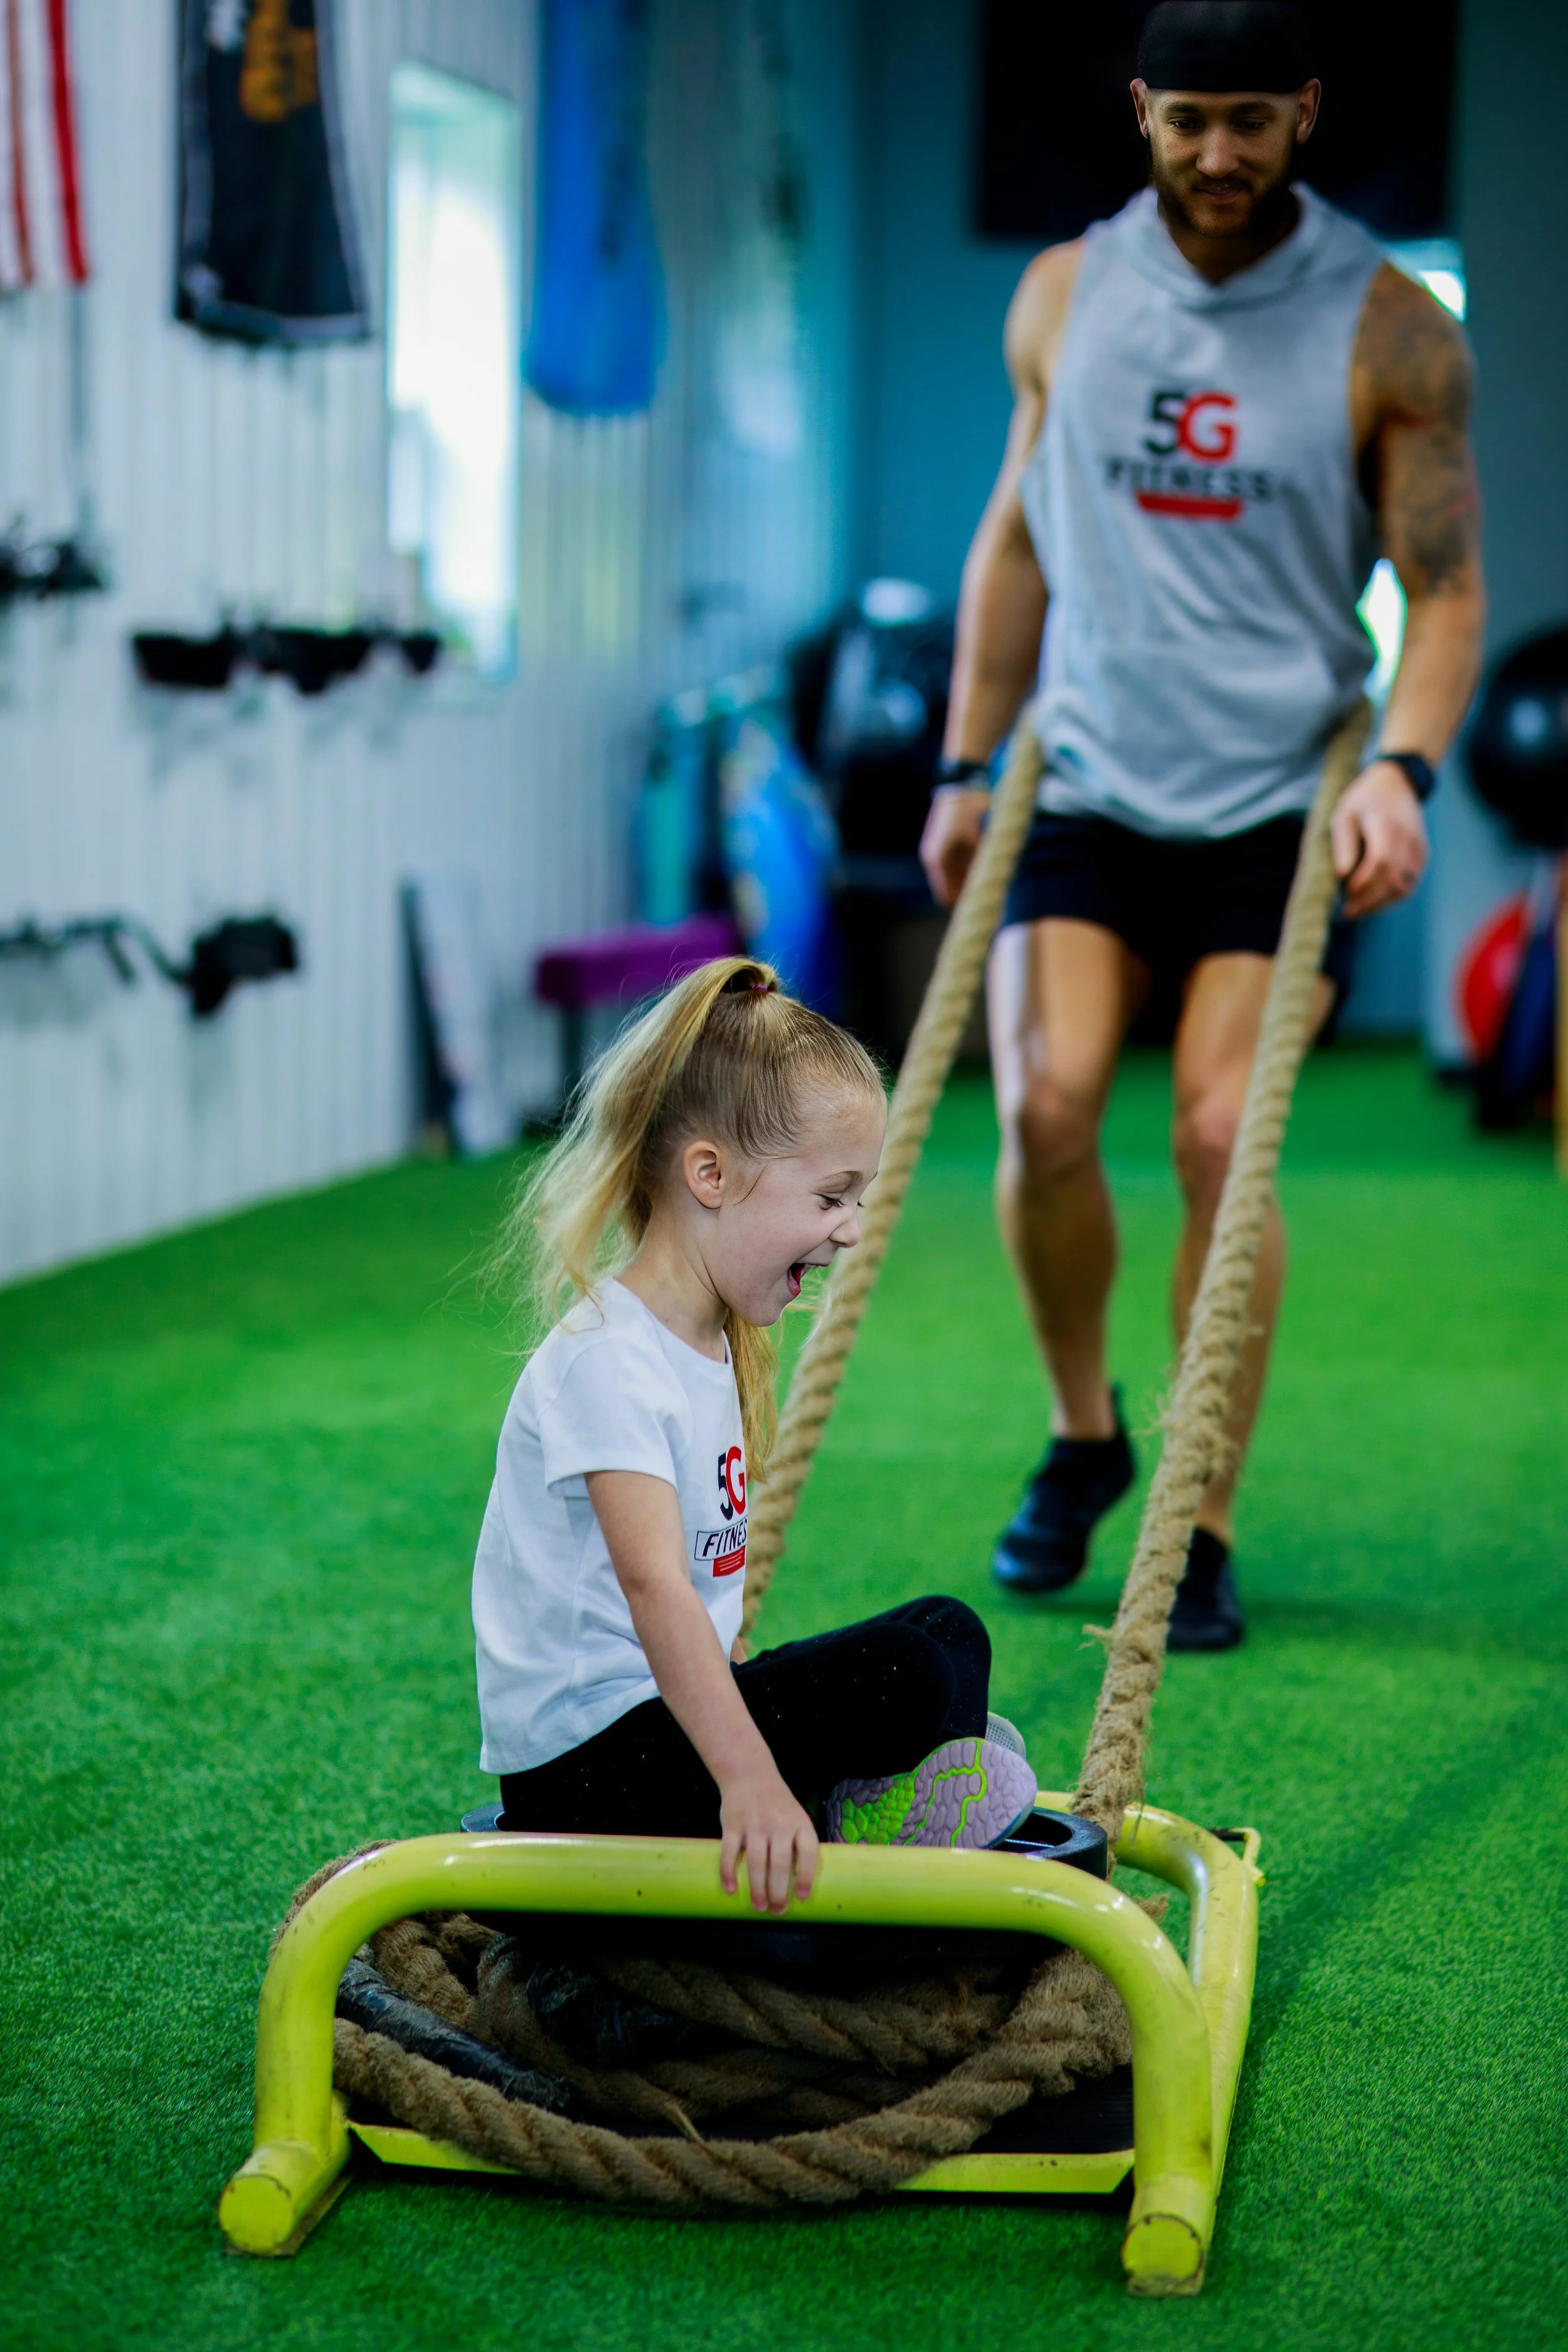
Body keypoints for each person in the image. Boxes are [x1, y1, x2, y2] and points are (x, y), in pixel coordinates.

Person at [919, 0, 1484, 1650]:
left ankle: (1200, 1513)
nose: (1218, 154)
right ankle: (1084, 1431)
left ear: (1306, 110)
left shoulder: (1389, 326)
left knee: (1219, 1140)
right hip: (1087, 772)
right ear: (1140, 110)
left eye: (1252, 119)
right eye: (1188, 121)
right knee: (1042, 1105)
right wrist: (964, 764)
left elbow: (1444, 590)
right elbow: (1012, 545)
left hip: (1274, 801)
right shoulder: (1062, 298)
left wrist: (1406, 766)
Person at [473, 957, 1037, 1915]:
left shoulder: (708, 1346)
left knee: (949, 1628)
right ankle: (842, 1815)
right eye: (830, 1198)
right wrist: (749, 1779)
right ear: (711, 1175)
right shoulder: (609, 1358)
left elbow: (706, 1609)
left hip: (664, 1737)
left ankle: (884, 1792)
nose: (851, 1231)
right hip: (592, 1777)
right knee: (910, 1674)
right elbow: (656, 1590)